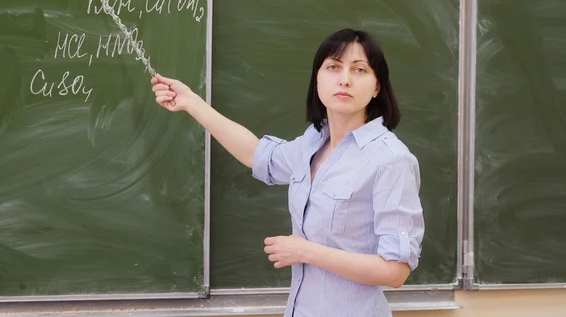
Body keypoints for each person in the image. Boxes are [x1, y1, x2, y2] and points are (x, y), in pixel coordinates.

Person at [151, 28, 424, 317]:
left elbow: (395, 271)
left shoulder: (391, 160)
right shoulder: (313, 143)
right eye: (333, 67)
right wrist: (192, 102)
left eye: (359, 70)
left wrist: (307, 252)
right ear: (317, 78)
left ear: (377, 86)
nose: (345, 79)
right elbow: (257, 155)